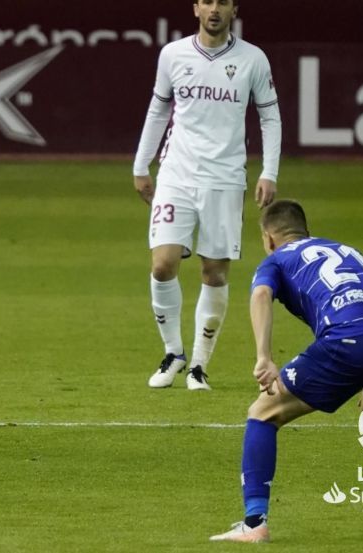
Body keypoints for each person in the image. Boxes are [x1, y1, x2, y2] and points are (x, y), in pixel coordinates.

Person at [209, 199, 363, 542]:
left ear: (267, 238)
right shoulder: (348, 250)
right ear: (306, 231)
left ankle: (254, 524)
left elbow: (261, 294)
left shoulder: (276, 259)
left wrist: (263, 356)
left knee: (263, 413)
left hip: (349, 339)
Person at [133, 0, 281, 390]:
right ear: (196, 8)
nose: (215, 9)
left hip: (225, 178)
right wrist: (141, 164)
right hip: (176, 173)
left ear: (235, 9)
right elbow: (157, 110)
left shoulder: (253, 59)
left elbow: (270, 116)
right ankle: (173, 353)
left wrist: (269, 171)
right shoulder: (173, 54)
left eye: (223, 2)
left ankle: (198, 364)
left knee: (213, 272)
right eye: (208, 1)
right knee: (163, 264)